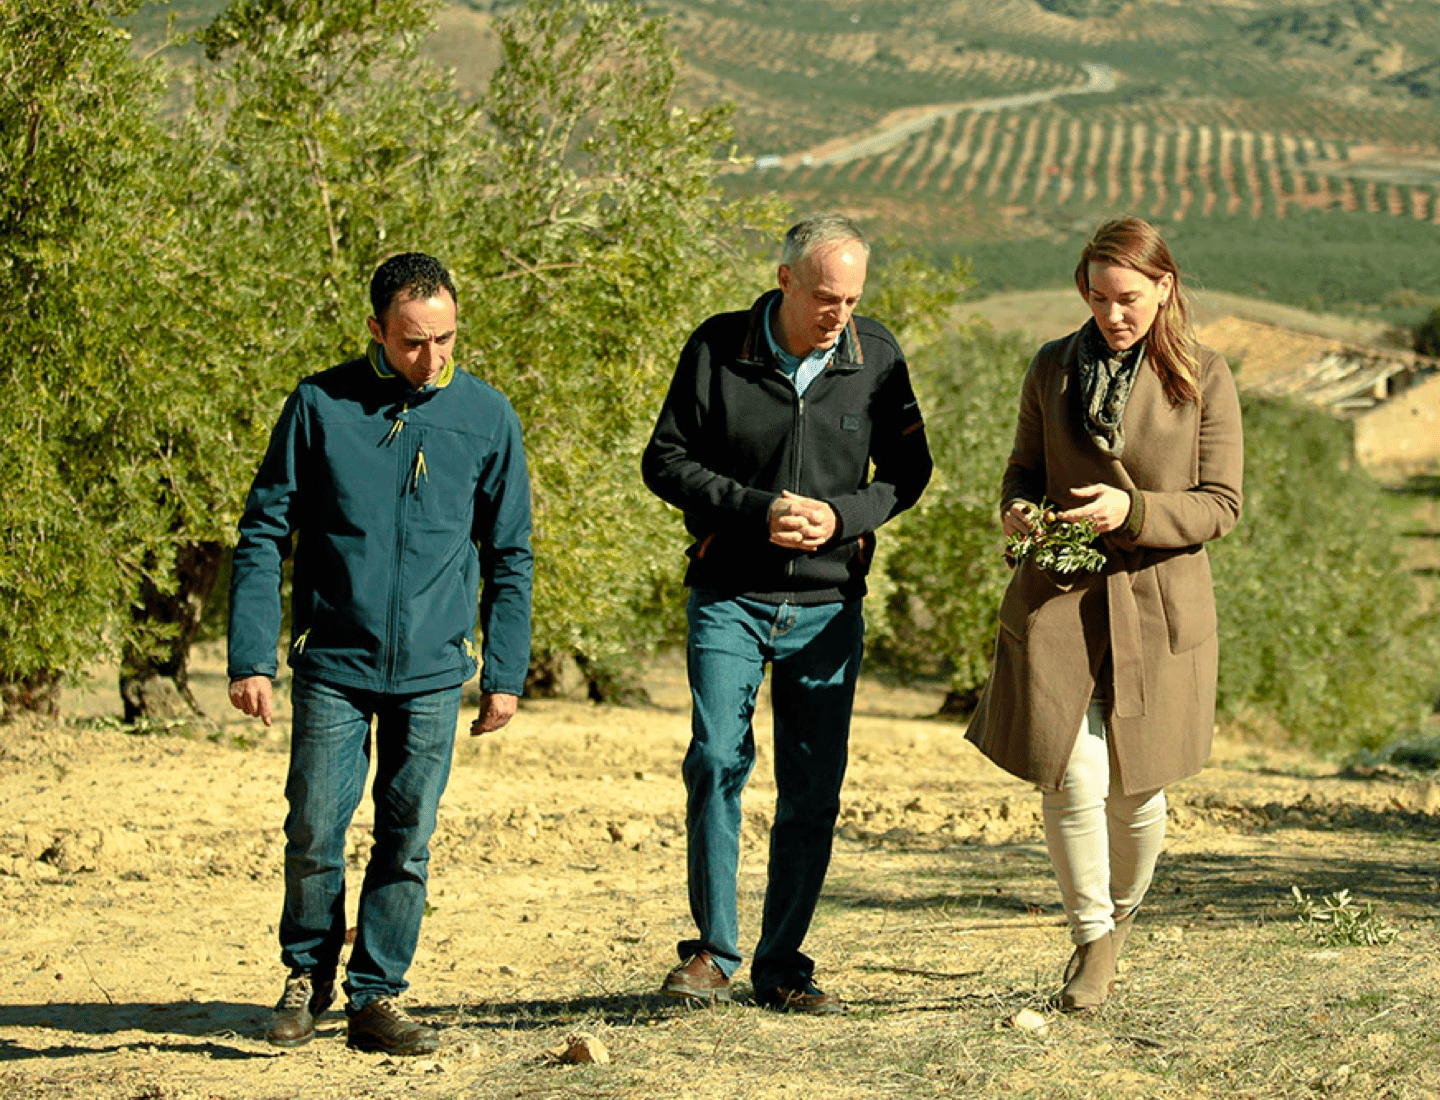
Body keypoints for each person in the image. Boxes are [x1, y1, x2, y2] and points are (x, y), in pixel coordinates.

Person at [227, 252, 533, 1054]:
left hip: (435, 672)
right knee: (315, 831)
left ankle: (378, 996)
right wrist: (250, 655)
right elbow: (263, 531)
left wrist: (504, 672)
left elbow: (510, 554)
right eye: (411, 342)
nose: (431, 359)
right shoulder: (318, 405)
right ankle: (305, 976)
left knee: (407, 838)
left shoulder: (487, 415)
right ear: (375, 330)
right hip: (333, 663)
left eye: (445, 339)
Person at [642, 213, 932, 1014]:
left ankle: (782, 967)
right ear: (785, 282)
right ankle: (713, 952)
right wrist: (752, 509)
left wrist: (844, 518)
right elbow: (663, 460)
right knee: (715, 761)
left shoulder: (876, 358)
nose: (839, 314)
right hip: (729, 595)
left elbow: (909, 473)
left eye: (851, 299)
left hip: (828, 605)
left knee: (813, 789)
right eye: (825, 297)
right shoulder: (717, 346)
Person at [966, 216, 1243, 1011]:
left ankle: (1117, 927)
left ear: (1164, 287)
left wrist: (1134, 509)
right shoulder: (1051, 366)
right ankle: (1091, 938)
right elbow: (1023, 467)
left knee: (1138, 790)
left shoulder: (1205, 376)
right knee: (1070, 773)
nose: (1111, 314)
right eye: (1096, 298)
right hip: (1060, 595)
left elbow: (1221, 505)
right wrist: (1018, 509)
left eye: (1127, 298)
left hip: (1157, 605)